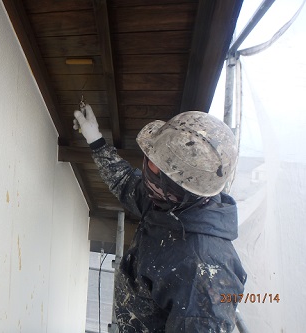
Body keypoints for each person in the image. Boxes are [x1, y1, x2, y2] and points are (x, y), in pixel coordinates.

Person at [73, 105, 247, 332]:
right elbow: (127, 183)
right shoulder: (171, 204)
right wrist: (94, 138)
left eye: (155, 168)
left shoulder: (203, 275)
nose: (145, 169)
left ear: (178, 186)